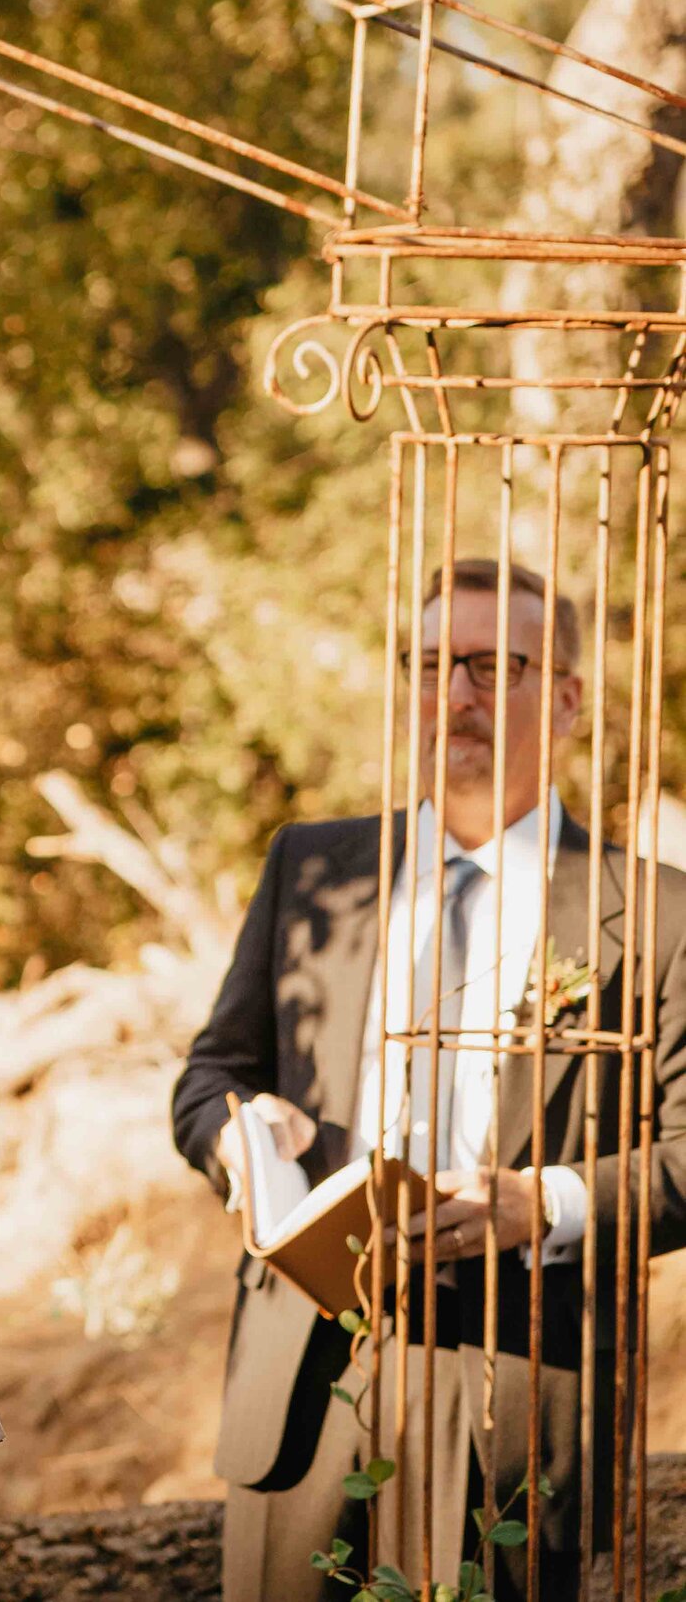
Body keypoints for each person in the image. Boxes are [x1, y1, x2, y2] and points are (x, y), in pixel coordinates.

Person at [170, 559, 686, 1602]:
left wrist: (540, 1200)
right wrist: (239, 1136)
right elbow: (211, 1072)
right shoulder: (312, 867)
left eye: (495, 666)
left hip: (521, 1374)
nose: (457, 694)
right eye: (434, 664)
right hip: (306, 1368)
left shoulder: (655, 910)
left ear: (571, 697)